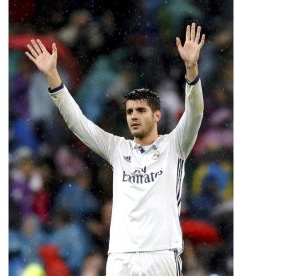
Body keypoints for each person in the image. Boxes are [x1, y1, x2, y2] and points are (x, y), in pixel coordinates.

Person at [25, 22, 205, 276]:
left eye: (141, 110)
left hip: (161, 254)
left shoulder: (174, 145)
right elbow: (78, 123)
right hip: (121, 258)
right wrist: (53, 77)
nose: (133, 116)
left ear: (156, 116)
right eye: (130, 111)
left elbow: (195, 111)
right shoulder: (118, 149)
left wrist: (191, 68)